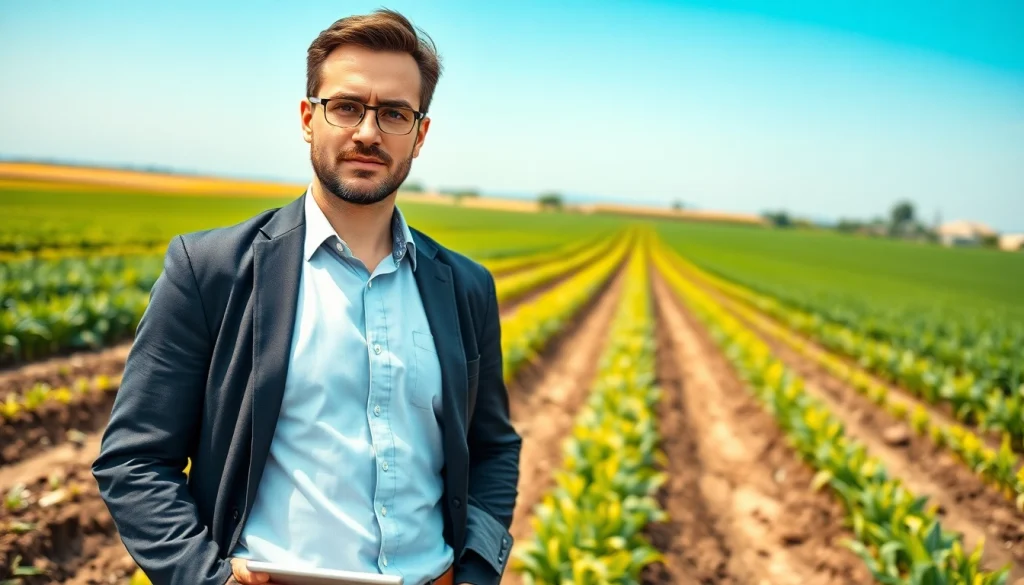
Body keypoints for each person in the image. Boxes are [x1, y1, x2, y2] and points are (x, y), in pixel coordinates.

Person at [92, 9, 521, 585]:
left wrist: (472, 571)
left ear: (419, 135)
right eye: (346, 107)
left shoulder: (466, 286)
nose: (368, 132)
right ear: (307, 119)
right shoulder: (210, 270)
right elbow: (135, 459)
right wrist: (206, 579)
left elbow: (492, 448)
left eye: (394, 113)